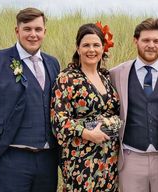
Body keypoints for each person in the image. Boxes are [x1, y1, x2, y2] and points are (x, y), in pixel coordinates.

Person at [0, 7, 60, 192]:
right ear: (17, 30)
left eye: (38, 29)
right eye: (27, 29)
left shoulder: (52, 63)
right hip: (10, 157)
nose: (33, 34)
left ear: (45, 32)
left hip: (47, 160)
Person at [110, 18, 158, 192]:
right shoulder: (116, 74)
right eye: (146, 40)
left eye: (156, 41)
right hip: (130, 158)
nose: (151, 45)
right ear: (135, 40)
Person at [51, 22, 120, 191]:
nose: (91, 50)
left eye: (96, 45)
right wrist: (88, 134)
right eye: (86, 45)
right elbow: (59, 119)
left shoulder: (106, 77)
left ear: (103, 48)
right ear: (78, 48)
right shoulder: (67, 78)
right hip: (81, 157)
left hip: (109, 157)